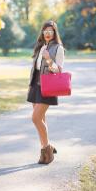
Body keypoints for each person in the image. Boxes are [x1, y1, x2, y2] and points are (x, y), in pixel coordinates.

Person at [26, 20, 65, 164]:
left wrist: (49, 60)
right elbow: (35, 67)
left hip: (48, 86)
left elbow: (59, 69)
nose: (47, 33)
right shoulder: (40, 46)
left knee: (35, 118)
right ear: (42, 32)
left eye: (51, 30)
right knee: (41, 119)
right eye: (45, 30)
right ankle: (46, 150)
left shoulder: (58, 48)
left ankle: (47, 149)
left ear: (54, 33)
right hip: (35, 85)